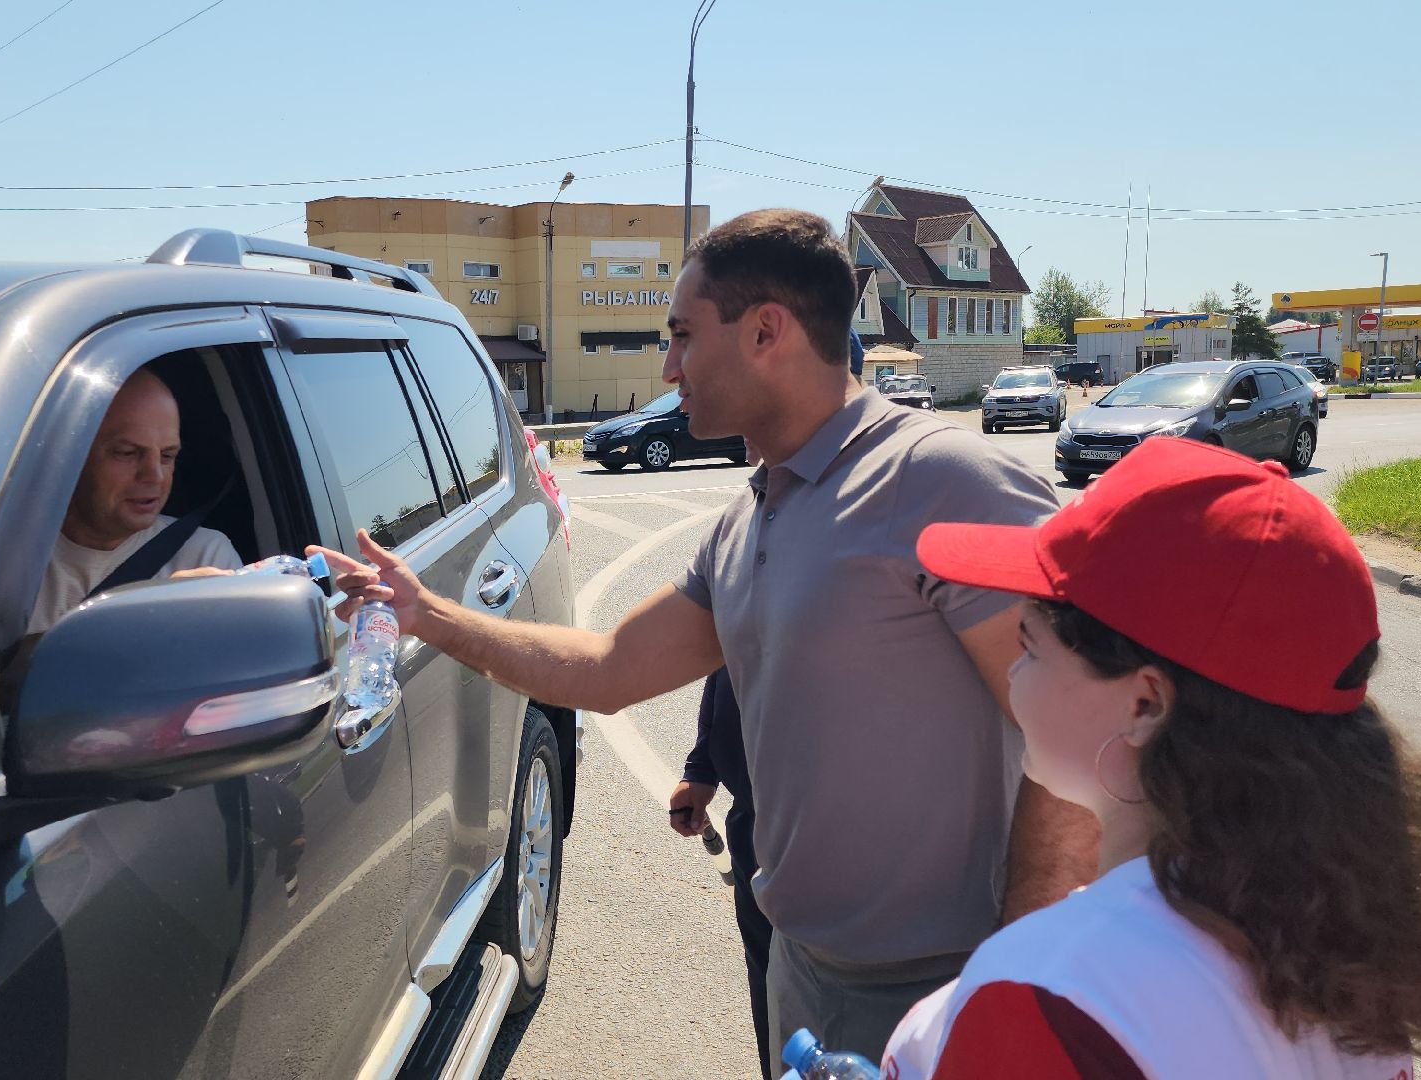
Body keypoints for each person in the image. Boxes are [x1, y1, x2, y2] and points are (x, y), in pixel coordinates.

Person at [317, 209, 1098, 1061]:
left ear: (767, 331)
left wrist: (1016, 976)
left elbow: (1076, 735)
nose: (667, 366)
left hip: (946, 988)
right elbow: (612, 668)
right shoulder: (749, 517)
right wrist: (428, 613)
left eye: (684, 336)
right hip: (800, 970)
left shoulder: (945, 480)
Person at [881, 437, 1421, 1078]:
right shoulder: (1338, 951)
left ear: (1145, 704)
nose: (1013, 673)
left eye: (1031, 646)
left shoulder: (1052, 994)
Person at [27, 368, 243, 634]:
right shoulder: (4, 564)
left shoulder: (206, 559)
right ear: (70, 455)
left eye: (167, 456)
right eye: (127, 453)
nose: (155, 476)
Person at [670, 667, 773, 1079]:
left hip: (855, 839)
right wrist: (702, 766)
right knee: (771, 988)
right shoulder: (737, 598)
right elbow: (727, 651)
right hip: (755, 827)